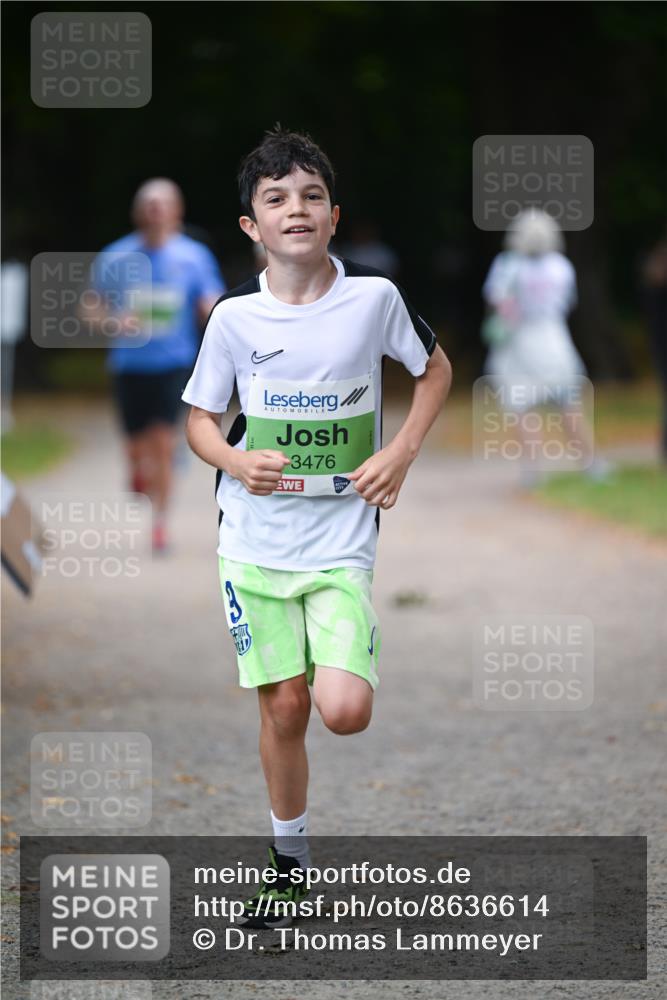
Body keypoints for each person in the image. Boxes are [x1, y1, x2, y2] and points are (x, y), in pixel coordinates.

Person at [182, 127, 451, 927]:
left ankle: (342, 646)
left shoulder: (373, 300)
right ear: (251, 226)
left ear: (333, 216)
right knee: (285, 708)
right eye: (275, 199)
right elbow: (200, 421)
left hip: (339, 541)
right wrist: (236, 464)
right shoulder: (233, 317)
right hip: (252, 542)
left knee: (343, 710)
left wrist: (398, 453)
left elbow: (433, 369)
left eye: (310, 196)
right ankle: (289, 869)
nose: (294, 209)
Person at [90, 178, 226, 550]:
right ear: (137, 212)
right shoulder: (116, 256)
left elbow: (212, 299)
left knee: (164, 443)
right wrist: (113, 321)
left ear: (177, 210)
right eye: (148, 204)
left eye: (162, 204)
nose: (155, 211)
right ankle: (136, 467)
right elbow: (91, 306)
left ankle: (160, 523)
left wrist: (212, 309)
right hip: (129, 365)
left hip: (174, 364)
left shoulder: (194, 256)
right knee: (136, 446)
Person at [482, 208, 605, 484]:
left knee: (523, 406)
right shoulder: (561, 266)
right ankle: (591, 463)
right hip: (555, 339)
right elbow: (569, 303)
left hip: (520, 342)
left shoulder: (507, 265)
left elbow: (497, 302)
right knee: (568, 403)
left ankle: (532, 470)